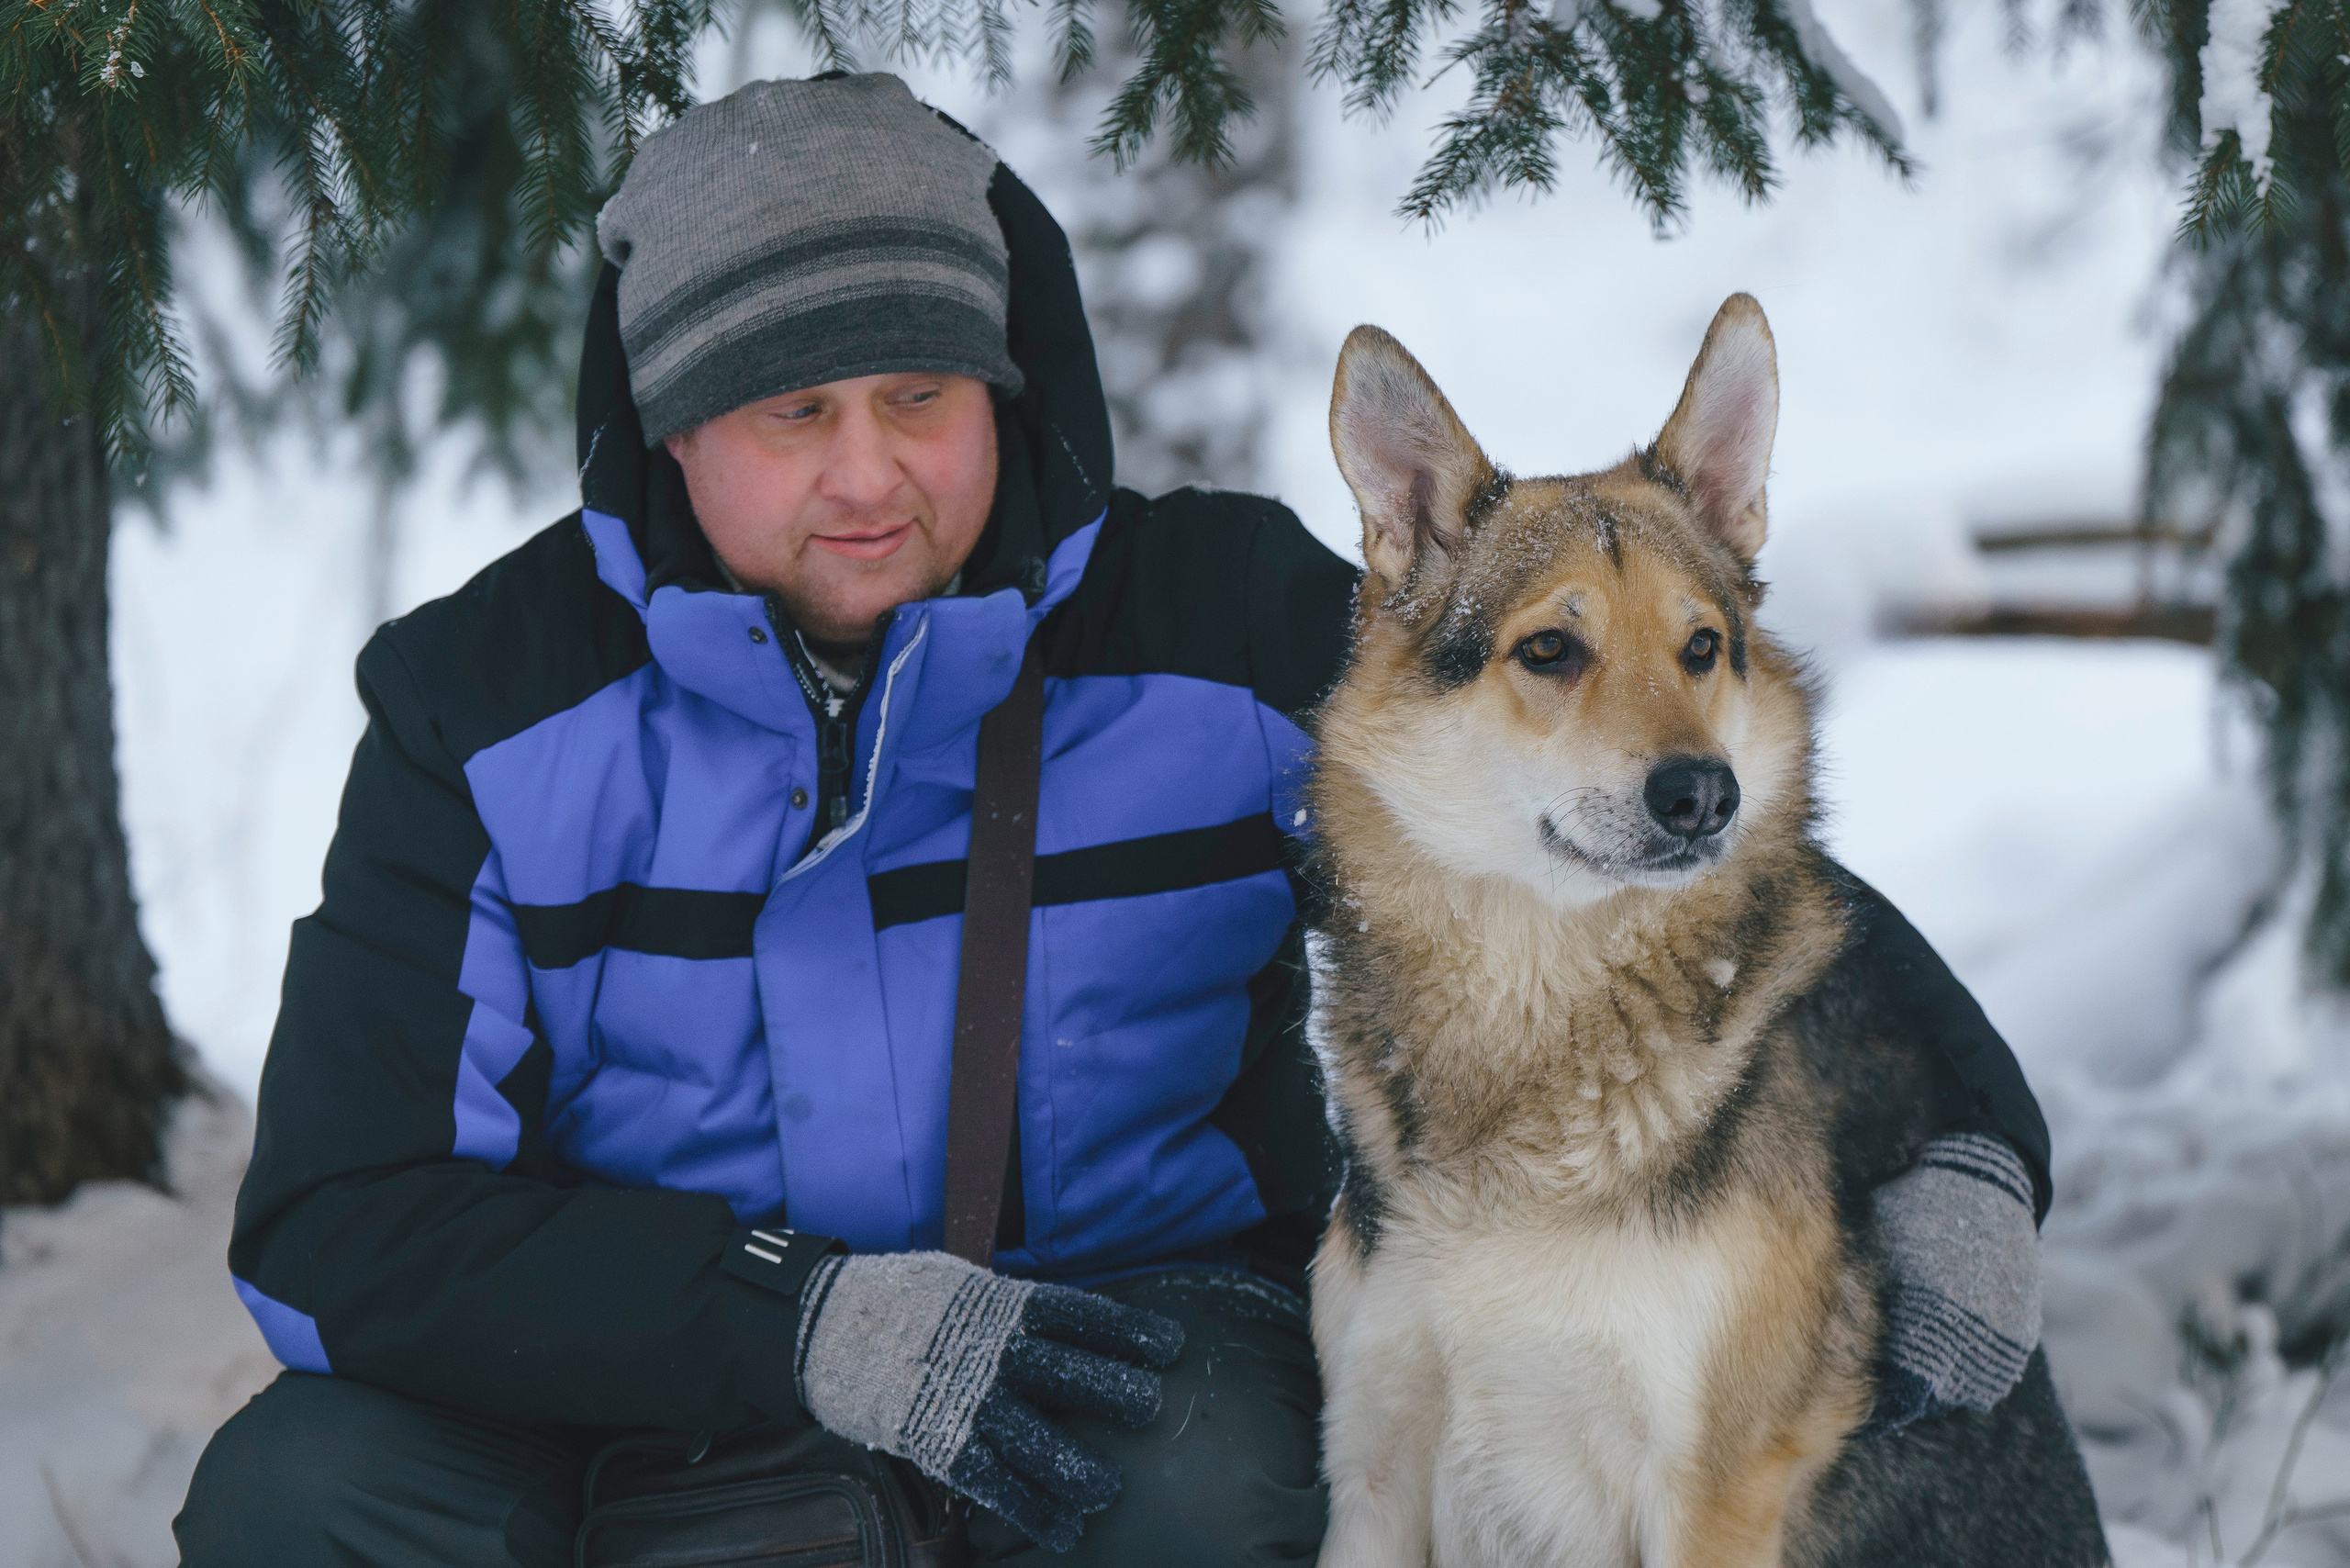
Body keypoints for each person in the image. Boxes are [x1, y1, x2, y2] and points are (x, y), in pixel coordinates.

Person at [174, 73, 2055, 1566]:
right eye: (787, 410)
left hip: (1107, 1350)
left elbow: (1636, 831)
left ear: (1000, 384)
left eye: (919, 393)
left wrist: (1962, 1134)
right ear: (668, 430)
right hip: (630, 1374)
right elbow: (343, 1223)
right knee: (302, 1497)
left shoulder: (1218, 626)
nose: (866, 472)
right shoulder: (482, 709)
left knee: (1233, 1467)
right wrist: (796, 1319)